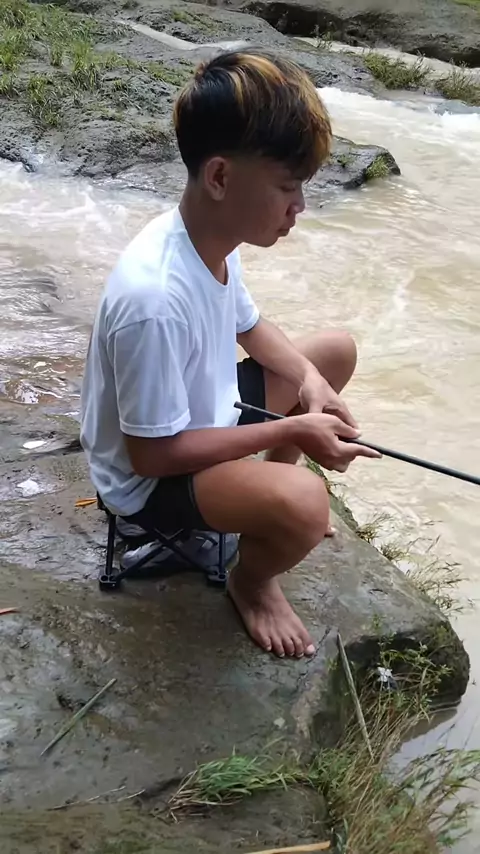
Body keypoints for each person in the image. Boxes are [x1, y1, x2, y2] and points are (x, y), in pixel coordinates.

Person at [80, 49, 380, 660]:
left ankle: (267, 505)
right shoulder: (153, 299)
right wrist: (293, 428)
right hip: (149, 479)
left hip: (205, 416)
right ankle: (253, 580)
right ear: (220, 177)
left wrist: (309, 381)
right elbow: (152, 455)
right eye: (287, 188)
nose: (300, 207)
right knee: (307, 501)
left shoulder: (211, 236)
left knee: (331, 353)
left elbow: (251, 326)